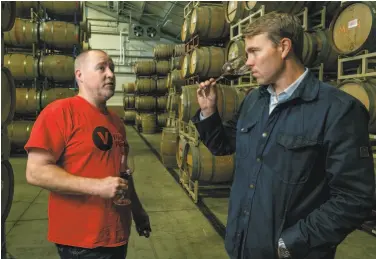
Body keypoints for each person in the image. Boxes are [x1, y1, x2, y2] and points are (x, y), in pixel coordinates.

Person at [192, 12, 375, 259]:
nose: (248, 62)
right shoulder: (253, 101)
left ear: (284, 47)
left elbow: (354, 198)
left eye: (255, 51)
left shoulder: (338, 110)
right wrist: (208, 112)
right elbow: (222, 145)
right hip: (242, 245)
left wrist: (291, 243)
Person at [24, 49, 151, 259]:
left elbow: (124, 174)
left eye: (112, 68)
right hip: (81, 241)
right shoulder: (60, 112)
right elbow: (35, 171)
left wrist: (137, 211)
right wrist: (97, 186)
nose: (110, 74)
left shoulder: (116, 122)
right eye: (101, 67)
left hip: (117, 233)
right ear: (79, 75)